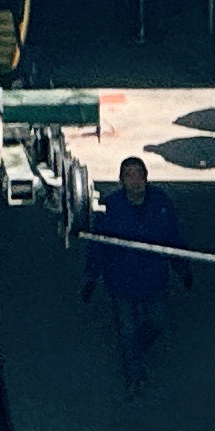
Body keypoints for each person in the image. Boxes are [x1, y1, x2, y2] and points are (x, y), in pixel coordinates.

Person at [83, 156, 194, 397]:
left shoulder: (161, 203)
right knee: (127, 329)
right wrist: (91, 277)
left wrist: (182, 269)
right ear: (121, 180)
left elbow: (173, 239)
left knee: (158, 321)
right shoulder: (110, 207)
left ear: (146, 177)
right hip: (121, 280)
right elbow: (98, 245)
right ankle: (133, 375)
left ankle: (136, 349)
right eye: (129, 175)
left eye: (138, 174)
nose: (135, 181)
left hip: (153, 279)